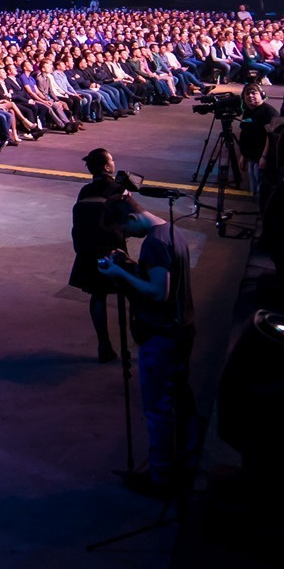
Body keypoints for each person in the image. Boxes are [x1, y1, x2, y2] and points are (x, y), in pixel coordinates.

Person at [92, 205, 199, 497]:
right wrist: (131, 264)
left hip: (163, 334)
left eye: (125, 230)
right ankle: (187, 459)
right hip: (182, 328)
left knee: (158, 407)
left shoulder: (154, 243)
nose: (128, 236)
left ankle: (160, 476)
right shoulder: (171, 231)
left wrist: (118, 273)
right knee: (180, 398)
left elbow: (157, 292)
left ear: (131, 217)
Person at [67, 147, 144, 362]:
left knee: (97, 295)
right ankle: (138, 333)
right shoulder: (119, 190)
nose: (114, 163)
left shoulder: (84, 191)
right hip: (114, 250)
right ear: (106, 166)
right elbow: (133, 222)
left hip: (89, 252)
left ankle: (104, 343)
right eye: (112, 160)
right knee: (134, 291)